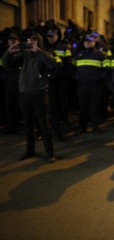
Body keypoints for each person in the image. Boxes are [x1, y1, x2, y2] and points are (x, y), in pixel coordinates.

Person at [3, 32, 57, 163]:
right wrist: (9, 52)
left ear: (39, 42)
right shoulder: (24, 55)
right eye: (29, 41)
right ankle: (30, 150)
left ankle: (50, 153)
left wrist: (38, 51)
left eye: (34, 40)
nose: (31, 43)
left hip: (39, 94)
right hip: (25, 93)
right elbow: (7, 64)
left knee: (44, 125)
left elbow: (52, 65)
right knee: (28, 125)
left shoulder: (45, 53)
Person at [72, 34, 109, 134]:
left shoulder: (100, 55)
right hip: (82, 85)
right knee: (82, 107)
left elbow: (107, 69)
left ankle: (95, 127)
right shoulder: (79, 55)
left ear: (94, 42)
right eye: (86, 41)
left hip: (95, 86)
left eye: (90, 41)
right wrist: (77, 77)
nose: (88, 43)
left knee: (95, 107)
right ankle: (82, 127)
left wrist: (99, 78)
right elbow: (72, 68)